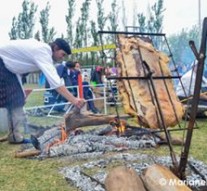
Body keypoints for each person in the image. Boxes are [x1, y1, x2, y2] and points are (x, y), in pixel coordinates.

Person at [0, 38, 85, 144]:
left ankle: (15, 137)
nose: (61, 58)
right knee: (15, 102)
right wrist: (75, 100)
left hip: (8, 68)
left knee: (17, 101)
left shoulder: (41, 50)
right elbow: (56, 84)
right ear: (56, 48)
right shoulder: (43, 52)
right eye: (62, 54)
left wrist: (21, 94)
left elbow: (17, 69)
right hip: (3, 64)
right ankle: (15, 137)